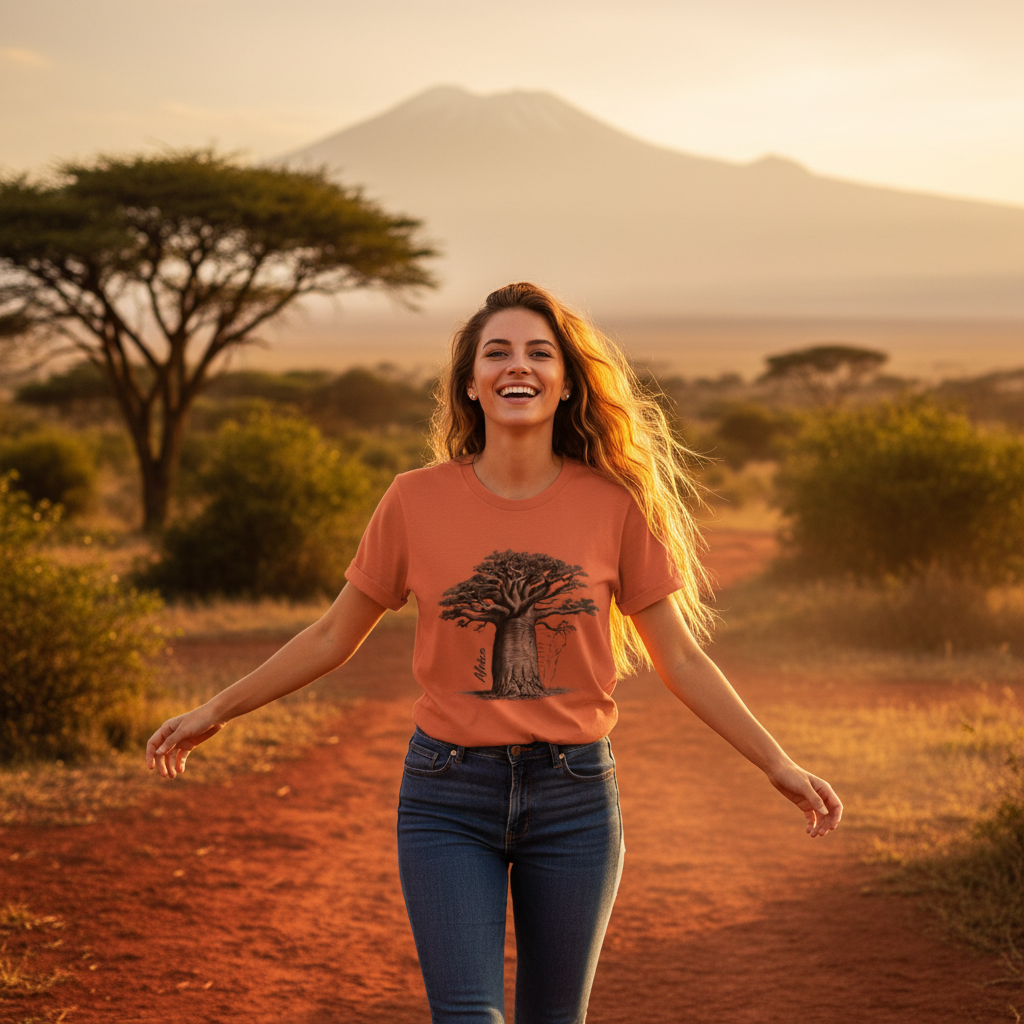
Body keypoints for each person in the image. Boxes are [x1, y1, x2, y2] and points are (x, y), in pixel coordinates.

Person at [147, 282, 842, 1024]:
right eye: (498, 352)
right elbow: (330, 635)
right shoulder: (413, 500)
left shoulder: (614, 506)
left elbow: (682, 657)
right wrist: (217, 708)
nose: (520, 365)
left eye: (540, 352)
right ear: (470, 384)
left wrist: (777, 762)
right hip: (447, 794)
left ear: (567, 380)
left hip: (574, 797)